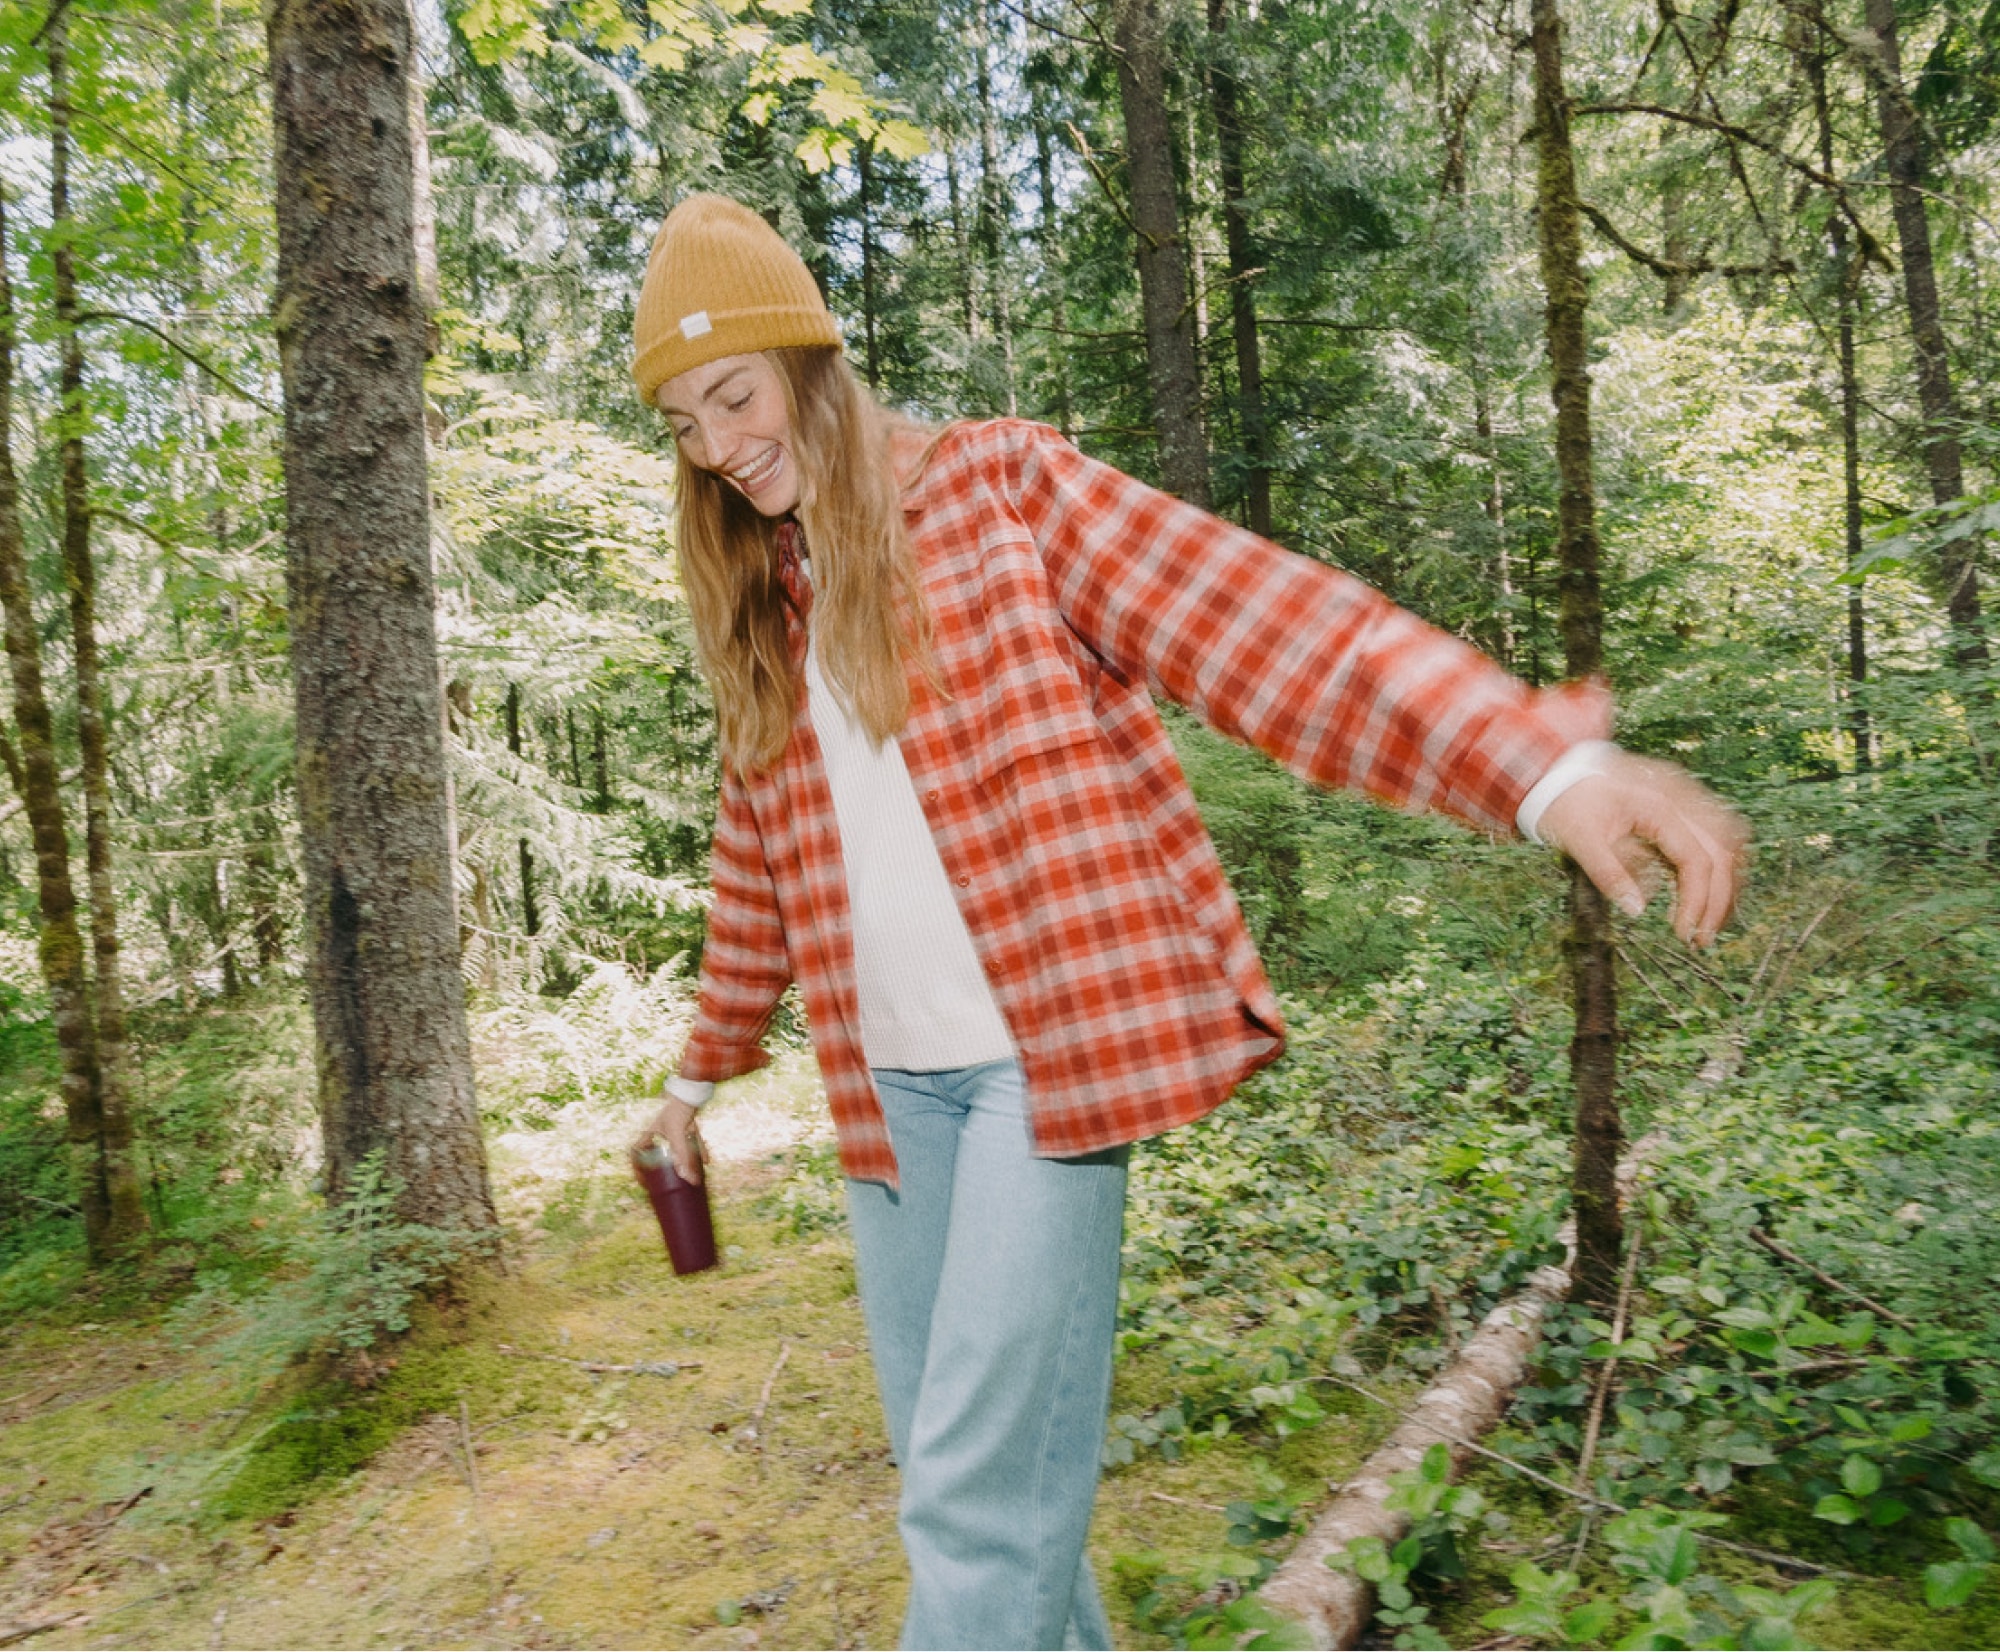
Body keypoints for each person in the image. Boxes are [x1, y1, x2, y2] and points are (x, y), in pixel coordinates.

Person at [629, 194, 1743, 1651]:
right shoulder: (766, 603)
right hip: (888, 1109)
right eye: (685, 422)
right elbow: (756, 872)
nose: (719, 446)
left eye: (734, 394)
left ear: (811, 363)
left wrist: (1540, 764)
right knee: (989, 1492)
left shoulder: (1002, 493)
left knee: (970, 1511)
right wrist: (698, 1076)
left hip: (1047, 1072)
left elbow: (1268, 625)